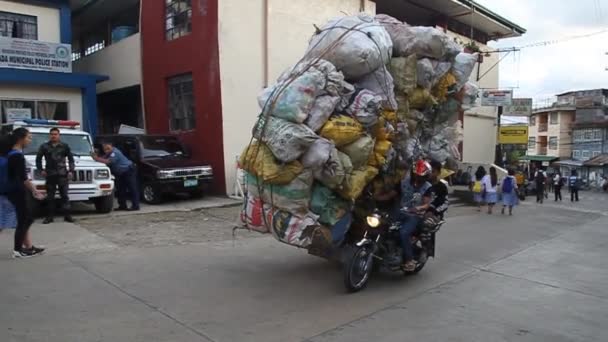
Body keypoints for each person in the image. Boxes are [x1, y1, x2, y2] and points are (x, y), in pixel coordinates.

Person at [0, 128, 46, 258]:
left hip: (9, 191)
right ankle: (18, 250)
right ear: (21, 139)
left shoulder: (9, 154)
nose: (30, 140)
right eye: (29, 137)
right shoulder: (17, 155)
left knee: (22, 219)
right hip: (16, 191)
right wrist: (35, 191)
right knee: (24, 219)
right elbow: (23, 178)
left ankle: (28, 247)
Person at [396, 160, 432, 271]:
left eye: (420, 177)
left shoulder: (427, 187)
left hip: (415, 215)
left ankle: (409, 260)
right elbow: (395, 195)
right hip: (399, 212)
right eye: (415, 175)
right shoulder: (403, 182)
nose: (417, 178)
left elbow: (426, 204)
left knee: (403, 232)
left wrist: (418, 208)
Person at [36, 127, 75, 224]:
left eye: (55, 134)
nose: (53, 136)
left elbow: (71, 159)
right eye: (52, 134)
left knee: (65, 196)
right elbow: (38, 159)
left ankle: (67, 216)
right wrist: (41, 170)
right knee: (50, 197)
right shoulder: (44, 146)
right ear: (49, 135)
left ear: (59, 135)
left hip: (62, 174)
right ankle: (49, 217)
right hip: (50, 174)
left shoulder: (64, 146)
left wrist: (71, 170)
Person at [92, 141, 140, 211]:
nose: (106, 150)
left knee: (132, 188)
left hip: (128, 171)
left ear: (111, 146)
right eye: (104, 148)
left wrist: (96, 158)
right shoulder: (109, 153)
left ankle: (135, 206)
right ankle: (122, 205)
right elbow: (103, 158)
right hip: (121, 173)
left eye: (107, 148)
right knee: (121, 189)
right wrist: (96, 156)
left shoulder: (115, 153)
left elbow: (108, 161)